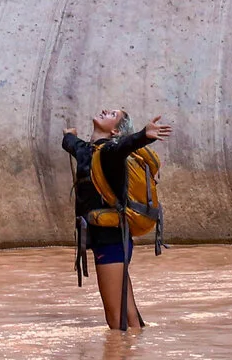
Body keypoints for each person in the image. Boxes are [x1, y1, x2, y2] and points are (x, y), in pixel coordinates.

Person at [61, 109, 173, 330]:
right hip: (110, 241)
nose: (104, 111)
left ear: (114, 131)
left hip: (111, 241)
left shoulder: (111, 153)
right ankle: (133, 358)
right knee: (128, 316)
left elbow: (124, 146)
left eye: (112, 114)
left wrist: (143, 135)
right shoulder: (86, 151)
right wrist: (68, 135)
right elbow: (71, 144)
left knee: (115, 319)